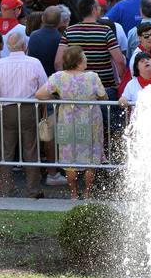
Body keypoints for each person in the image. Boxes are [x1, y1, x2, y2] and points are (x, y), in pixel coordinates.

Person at [34, 45, 107, 199]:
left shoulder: (58, 77)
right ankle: (87, 192)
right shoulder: (92, 77)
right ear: (79, 61)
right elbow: (103, 96)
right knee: (91, 157)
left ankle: (73, 193)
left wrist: (56, 98)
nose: (86, 59)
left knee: (69, 158)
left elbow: (40, 94)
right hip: (90, 121)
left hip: (67, 120)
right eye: (84, 56)